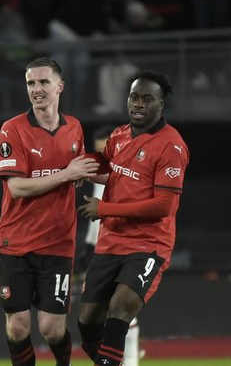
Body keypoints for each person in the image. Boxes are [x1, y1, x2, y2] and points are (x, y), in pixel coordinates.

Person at [77, 70, 189, 366]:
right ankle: (109, 360)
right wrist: (78, 168)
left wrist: (104, 209)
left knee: (120, 308)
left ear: (160, 105)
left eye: (147, 99)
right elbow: (105, 163)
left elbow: (164, 206)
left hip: (148, 244)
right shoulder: (120, 134)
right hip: (111, 241)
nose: (138, 104)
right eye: (134, 97)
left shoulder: (172, 146)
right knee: (87, 322)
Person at [0, 57, 99, 366]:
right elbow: (17, 188)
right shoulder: (13, 130)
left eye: (43, 82)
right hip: (15, 242)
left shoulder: (74, 128)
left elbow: (78, 172)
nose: (36, 89)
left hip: (58, 243)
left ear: (59, 86)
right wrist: (67, 174)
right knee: (19, 325)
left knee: (52, 329)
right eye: (30, 83)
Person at [77, 124, 143, 366]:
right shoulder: (101, 176)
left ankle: (131, 360)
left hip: (127, 245)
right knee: (95, 315)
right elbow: (96, 219)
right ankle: (113, 359)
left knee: (120, 309)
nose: (101, 159)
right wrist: (86, 247)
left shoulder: (130, 174)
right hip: (99, 248)